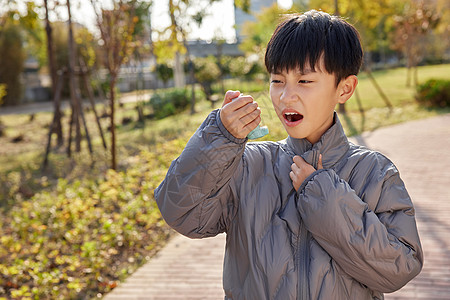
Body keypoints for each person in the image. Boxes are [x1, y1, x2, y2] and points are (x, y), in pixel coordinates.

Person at [154, 10, 423, 299]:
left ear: (344, 88)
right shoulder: (249, 165)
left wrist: (322, 194)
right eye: (277, 81)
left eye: (304, 81)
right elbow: (181, 213)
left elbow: (398, 269)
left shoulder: (374, 172)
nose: (285, 96)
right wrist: (219, 138)